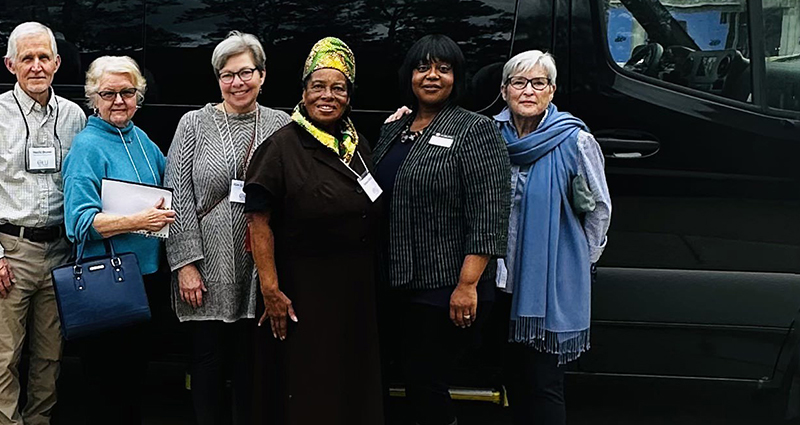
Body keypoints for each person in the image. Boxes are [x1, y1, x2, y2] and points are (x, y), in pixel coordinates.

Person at [243, 37, 385, 425]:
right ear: (303, 92)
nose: (327, 96)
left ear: (349, 96)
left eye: (338, 88)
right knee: (308, 384)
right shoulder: (281, 147)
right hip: (301, 289)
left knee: (349, 384)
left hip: (353, 289)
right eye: (317, 86)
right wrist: (271, 290)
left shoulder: (358, 145)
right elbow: (258, 221)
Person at [370, 34, 510, 425]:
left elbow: (489, 213)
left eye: (443, 69)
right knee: (400, 378)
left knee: (424, 379)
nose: (432, 76)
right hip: (395, 282)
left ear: (456, 78)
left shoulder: (475, 130)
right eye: (422, 67)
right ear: (409, 76)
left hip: (444, 286)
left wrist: (467, 286)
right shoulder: (394, 129)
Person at [0, 22, 87, 425]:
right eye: (27, 58)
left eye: (43, 57)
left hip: (60, 251)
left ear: (57, 63)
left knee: (51, 354)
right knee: (5, 355)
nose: (36, 66)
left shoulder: (74, 117)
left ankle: (39, 420)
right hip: (10, 252)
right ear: (10, 64)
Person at [164, 31, 289, 425]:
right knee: (208, 365)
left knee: (252, 366)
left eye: (245, 72)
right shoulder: (193, 124)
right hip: (206, 269)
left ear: (263, 75)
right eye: (227, 74)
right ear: (218, 79)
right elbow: (177, 195)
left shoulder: (282, 124)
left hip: (260, 269)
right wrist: (185, 264)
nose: (237, 82)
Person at [493, 50, 611, 425]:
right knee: (510, 379)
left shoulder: (575, 140)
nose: (528, 90)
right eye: (518, 82)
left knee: (544, 384)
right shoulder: (488, 136)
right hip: (496, 279)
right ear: (504, 90)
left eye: (538, 83)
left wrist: (579, 262)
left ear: (552, 90)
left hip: (550, 284)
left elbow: (599, 210)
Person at [62, 55, 172, 425]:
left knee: (133, 383)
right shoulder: (87, 146)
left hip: (145, 278)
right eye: (108, 93)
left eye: (127, 92)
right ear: (93, 98)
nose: (119, 101)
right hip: (106, 282)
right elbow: (78, 223)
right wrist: (139, 220)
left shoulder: (141, 140)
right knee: (108, 387)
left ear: (139, 95)